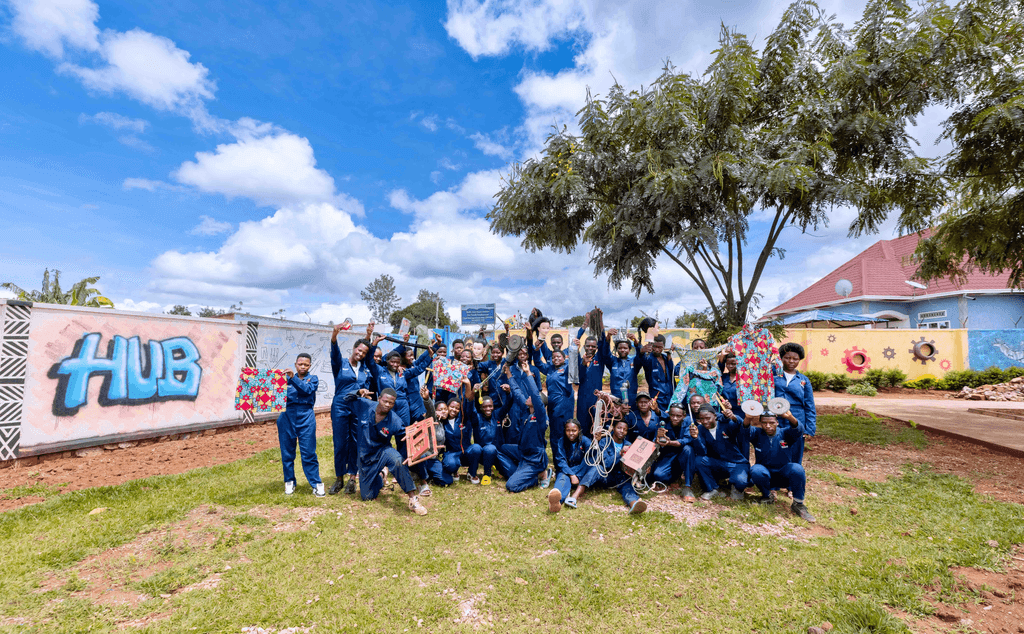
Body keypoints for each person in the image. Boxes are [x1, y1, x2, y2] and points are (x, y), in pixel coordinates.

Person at [352, 388, 428, 515]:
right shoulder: (365, 405)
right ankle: (381, 476)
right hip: (365, 458)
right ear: (379, 398)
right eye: (385, 401)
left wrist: (418, 431)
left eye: (391, 403)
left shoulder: (395, 421)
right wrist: (357, 392)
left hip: (383, 452)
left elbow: (407, 435)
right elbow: (346, 399)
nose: (387, 405)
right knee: (367, 496)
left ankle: (413, 499)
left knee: (397, 460)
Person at [329, 323, 378, 495]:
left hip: (358, 407)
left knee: (356, 443)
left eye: (364, 353)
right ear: (354, 348)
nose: (361, 354)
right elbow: (334, 349)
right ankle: (339, 478)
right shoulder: (340, 363)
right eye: (359, 350)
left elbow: (370, 352)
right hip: (341, 406)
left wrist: (369, 336)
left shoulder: (365, 368)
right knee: (341, 443)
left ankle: (352, 479)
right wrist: (335, 333)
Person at [565, 418, 647, 514]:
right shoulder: (604, 441)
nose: (622, 431)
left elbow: (633, 465)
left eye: (625, 429)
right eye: (619, 428)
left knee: (627, 486)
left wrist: (643, 468)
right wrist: (620, 454)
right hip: (606, 476)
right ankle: (575, 496)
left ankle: (634, 504)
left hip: (621, 476)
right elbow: (606, 463)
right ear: (613, 428)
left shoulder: (629, 445)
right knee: (597, 468)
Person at [745, 411, 815, 522]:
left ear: (777, 422)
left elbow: (798, 430)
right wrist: (748, 418)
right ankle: (767, 496)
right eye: (764, 423)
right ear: (760, 423)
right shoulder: (757, 433)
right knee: (755, 470)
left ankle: (798, 504)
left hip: (783, 475)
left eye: (771, 423)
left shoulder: (785, 433)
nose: (768, 426)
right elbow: (744, 431)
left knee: (797, 469)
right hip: (766, 476)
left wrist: (790, 417)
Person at [495, 362, 549, 493]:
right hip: (522, 452)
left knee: (511, 486)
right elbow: (517, 392)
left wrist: (528, 374)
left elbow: (535, 395)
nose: (528, 397)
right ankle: (519, 473)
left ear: (538, 404)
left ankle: (536, 477)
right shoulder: (527, 410)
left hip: (533, 459)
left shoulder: (541, 417)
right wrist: (508, 374)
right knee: (501, 449)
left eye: (531, 398)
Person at [276, 353, 323, 496]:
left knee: (308, 452)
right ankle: (289, 482)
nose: (303, 367)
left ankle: (316, 484)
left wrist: (293, 378)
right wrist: (248, 375)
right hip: (287, 415)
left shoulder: (312, 379)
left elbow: (307, 390)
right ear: (295, 364)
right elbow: (265, 384)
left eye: (306, 364)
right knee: (287, 452)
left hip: (306, 415)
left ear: (310, 366)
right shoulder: (284, 379)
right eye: (300, 364)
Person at [692, 404, 750, 501]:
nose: (705, 421)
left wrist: (733, 416)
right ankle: (713, 489)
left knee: (740, 481)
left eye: (707, 418)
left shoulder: (725, 424)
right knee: (699, 460)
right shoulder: (701, 429)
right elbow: (702, 451)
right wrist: (695, 438)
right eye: (701, 419)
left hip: (737, 463)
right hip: (718, 463)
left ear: (715, 416)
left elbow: (739, 424)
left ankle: (737, 488)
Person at [774, 342, 816, 464]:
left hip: (797, 420)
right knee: (776, 450)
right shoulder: (773, 375)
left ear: (799, 360)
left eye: (795, 359)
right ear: (781, 358)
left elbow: (810, 405)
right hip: (776, 420)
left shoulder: (803, 380)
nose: (791, 361)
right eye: (787, 358)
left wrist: (809, 428)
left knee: (795, 452)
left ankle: (793, 478)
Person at [650, 403, 697, 502]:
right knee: (658, 475)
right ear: (669, 414)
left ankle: (688, 486)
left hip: (684, 454)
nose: (675, 418)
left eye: (678, 416)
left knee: (688, 449)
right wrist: (658, 439)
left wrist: (669, 442)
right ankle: (676, 478)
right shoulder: (664, 421)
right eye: (672, 415)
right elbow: (656, 440)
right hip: (669, 455)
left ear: (684, 416)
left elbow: (687, 440)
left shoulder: (689, 421)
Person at [466, 393, 512, 486]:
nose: (488, 409)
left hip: (496, 454)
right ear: (481, 407)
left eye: (490, 406)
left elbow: (508, 405)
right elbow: (470, 408)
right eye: (485, 406)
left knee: (510, 473)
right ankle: (484, 474)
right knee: (481, 448)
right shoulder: (477, 418)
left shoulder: (497, 415)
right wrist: (473, 393)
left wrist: (508, 393)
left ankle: (495, 467)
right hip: (482, 454)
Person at [546, 419, 591, 513]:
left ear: (579, 430)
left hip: (581, 471)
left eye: (574, 431)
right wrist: (571, 475)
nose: (571, 433)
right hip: (566, 471)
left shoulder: (585, 441)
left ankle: (559, 495)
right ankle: (556, 502)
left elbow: (592, 456)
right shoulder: (561, 441)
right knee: (562, 479)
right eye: (568, 430)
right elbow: (560, 461)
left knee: (588, 462)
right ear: (564, 431)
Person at [602, 329, 643, 407]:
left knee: (630, 417)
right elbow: (606, 353)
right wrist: (608, 337)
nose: (622, 350)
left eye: (625, 348)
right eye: (620, 348)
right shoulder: (613, 361)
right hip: (616, 399)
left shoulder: (634, 361)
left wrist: (636, 341)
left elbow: (641, 355)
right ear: (616, 350)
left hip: (631, 398)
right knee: (617, 417)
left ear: (629, 349)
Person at [640, 334, 675, 414]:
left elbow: (672, 371)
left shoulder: (665, 358)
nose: (657, 350)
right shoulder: (648, 359)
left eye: (660, 347)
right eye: (655, 347)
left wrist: (669, 353)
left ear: (663, 347)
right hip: (657, 396)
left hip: (669, 394)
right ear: (651, 346)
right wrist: (642, 351)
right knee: (658, 417)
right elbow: (642, 360)